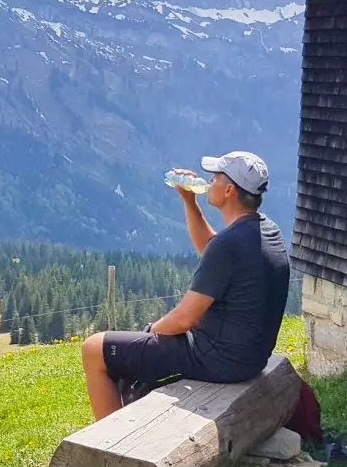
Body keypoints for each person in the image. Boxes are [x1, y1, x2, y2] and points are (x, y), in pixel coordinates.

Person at [80, 150, 292, 420]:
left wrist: (151, 331)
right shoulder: (265, 230)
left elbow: (184, 320)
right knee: (136, 347)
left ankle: (109, 445)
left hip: (217, 360)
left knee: (94, 348)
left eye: (215, 177)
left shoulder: (229, 245)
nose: (209, 181)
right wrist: (189, 200)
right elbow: (211, 248)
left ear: (229, 190)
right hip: (249, 358)